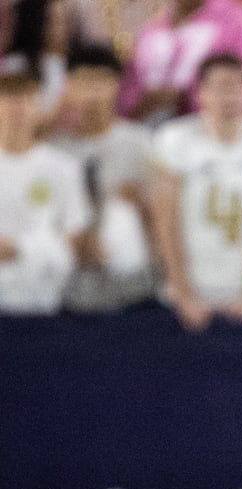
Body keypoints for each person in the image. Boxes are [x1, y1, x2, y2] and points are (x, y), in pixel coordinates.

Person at [150, 54, 242, 332]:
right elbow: (165, 219)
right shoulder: (174, 139)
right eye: (222, 86)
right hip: (187, 294)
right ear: (201, 92)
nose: (231, 96)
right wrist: (181, 290)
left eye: (240, 86)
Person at [50, 45, 155, 313]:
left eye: (101, 81)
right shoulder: (52, 147)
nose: (93, 91)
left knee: (120, 214)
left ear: (117, 85)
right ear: (68, 86)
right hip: (66, 275)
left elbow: (159, 215)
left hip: (127, 274)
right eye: (84, 81)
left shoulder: (140, 142)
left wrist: (139, 205)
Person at [0, 67, 89, 314]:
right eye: (7, 99)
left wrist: (19, 249)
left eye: (26, 100)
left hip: (42, 302)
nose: (16, 108)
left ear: (39, 109)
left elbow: (73, 241)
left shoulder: (64, 167)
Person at [121, 0, 242, 122]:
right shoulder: (154, 26)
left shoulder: (237, 21)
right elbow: (131, 84)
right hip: (148, 126)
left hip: (215, 131)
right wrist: (140, 104)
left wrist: (189, 97)